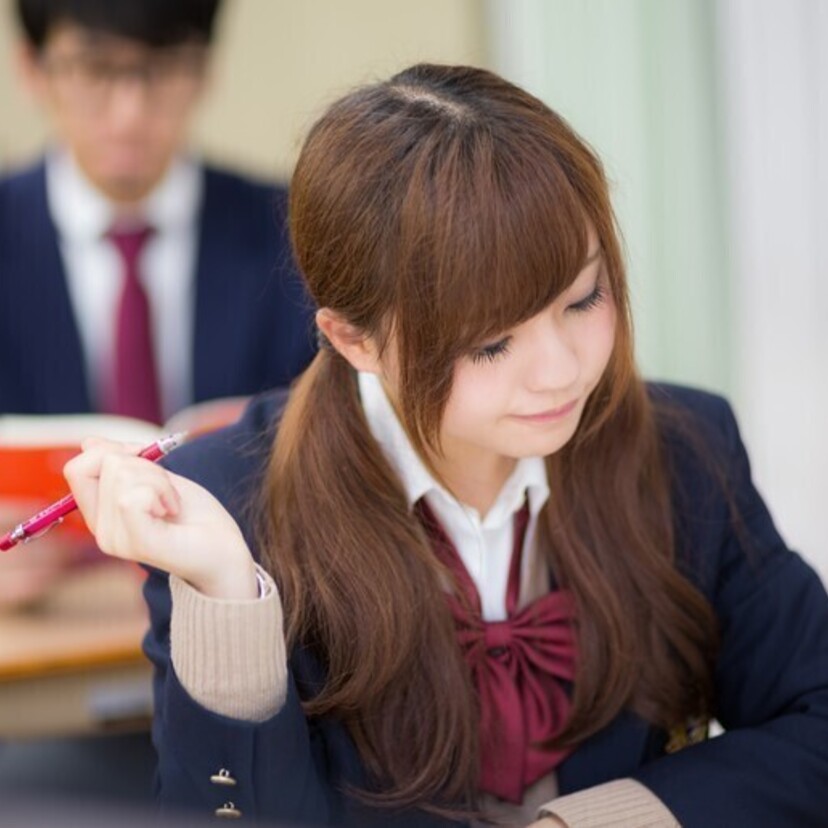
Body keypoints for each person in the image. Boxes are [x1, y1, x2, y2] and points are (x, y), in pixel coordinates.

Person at [63, 64, 828, 827]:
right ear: (353, 338)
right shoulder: (229, 504)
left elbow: (815, 725)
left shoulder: (682, 449)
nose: (561, 372)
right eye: (493, 343)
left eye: (582, 299)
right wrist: (230, 597)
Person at [0, 0, 315, 607]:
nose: (130, 111)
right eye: (95, 70)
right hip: (43, 627)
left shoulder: (293, 233)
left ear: (203, 70)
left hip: (249, 606)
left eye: (162, 69)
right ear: (33, 70)